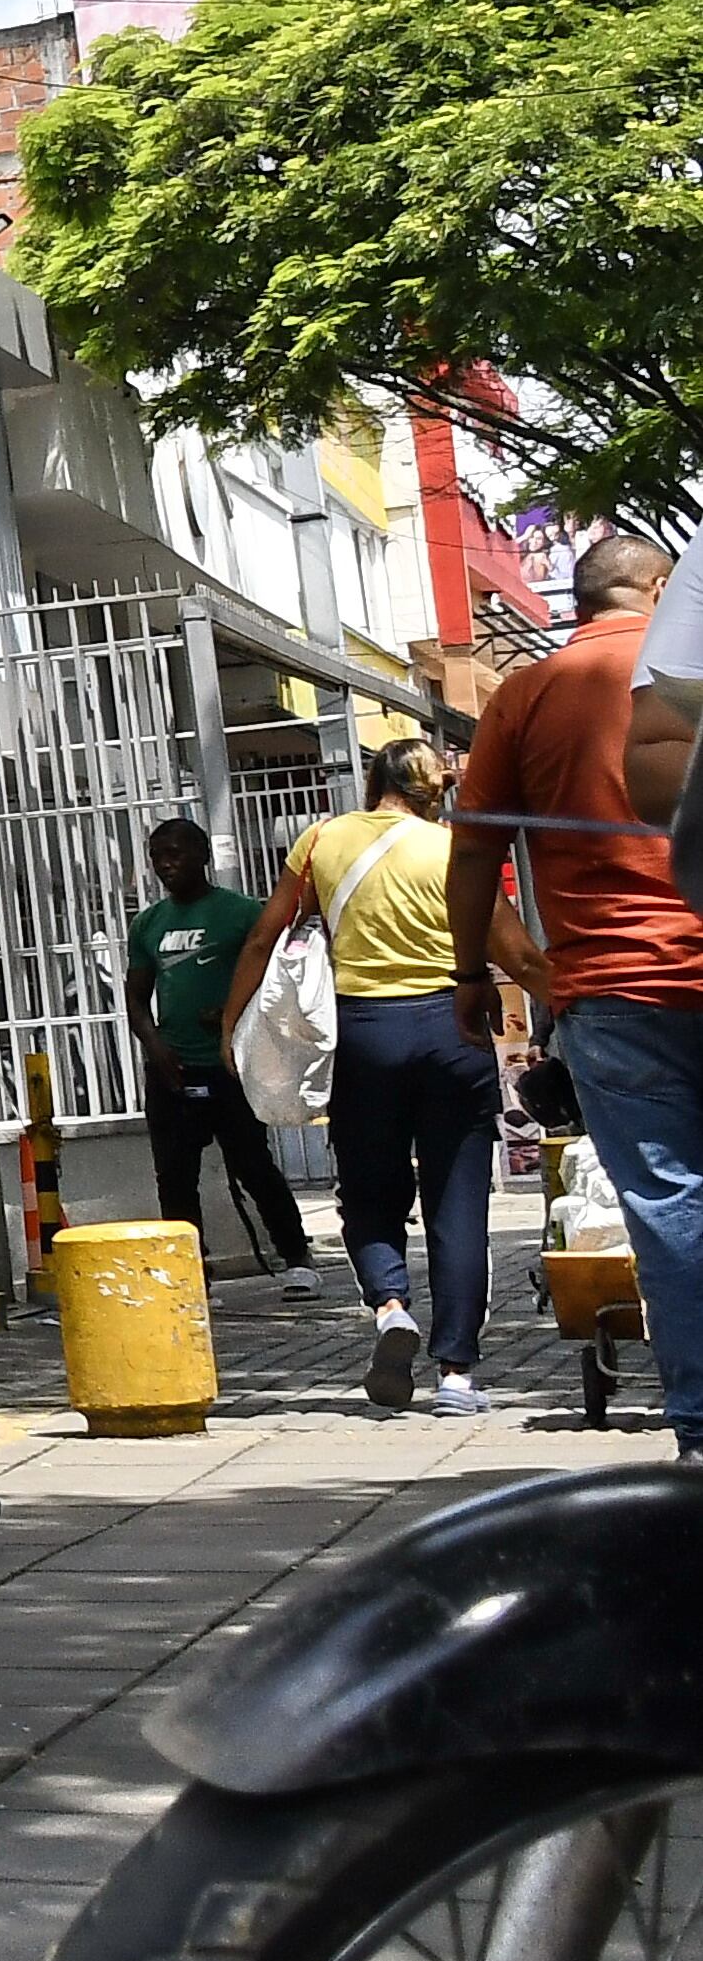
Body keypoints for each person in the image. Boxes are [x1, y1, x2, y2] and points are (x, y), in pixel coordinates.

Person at [453, 534, 699, 1449]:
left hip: (614, 991)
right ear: (662, 589)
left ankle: (702, 1430)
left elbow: (475, 849)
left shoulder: (524, 693)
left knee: (670, 1205)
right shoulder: (691, 668)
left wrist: (493, 973)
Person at [221, 736, 513, 1417]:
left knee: (369, 1189)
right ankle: (458, 1377)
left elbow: (264, 937)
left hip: (364, 1039)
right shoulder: (450, 849)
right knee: (458, 1203)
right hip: (452, 1030)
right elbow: (508, 941)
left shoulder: (322, 839)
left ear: (373, 781)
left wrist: (232, 1028)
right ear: (429, 791)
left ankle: (389, 1307)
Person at [126, 819, 323, 1295]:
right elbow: (136, 996)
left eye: (175, 852)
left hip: (228, 1064)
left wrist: (236, 1012)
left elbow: (277, 977)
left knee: (253, 1164)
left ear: (202, 856)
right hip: (172, 1070)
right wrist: (155, 1047)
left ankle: (297, 1258)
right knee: (174, 1175)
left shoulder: (239, 913)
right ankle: (190, 1267)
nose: (166, 863)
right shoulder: (148, 923)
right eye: (157, 855)